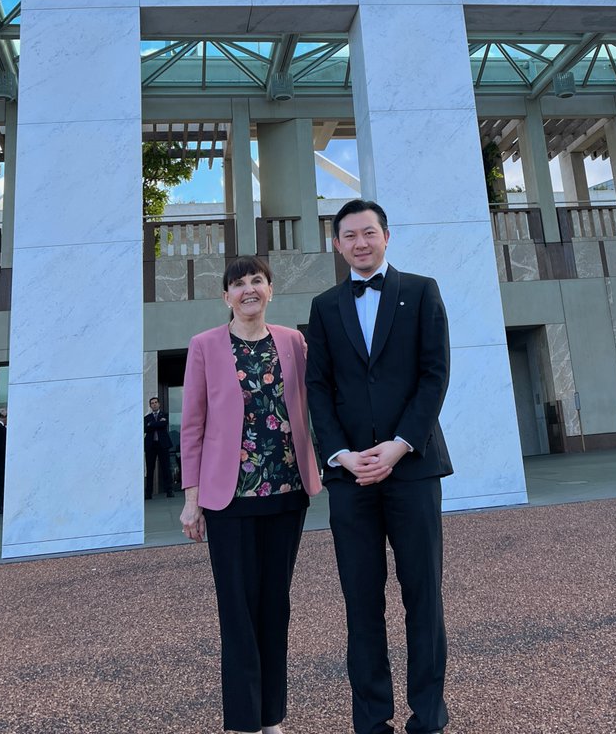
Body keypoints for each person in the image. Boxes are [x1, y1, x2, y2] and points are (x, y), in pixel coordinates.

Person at [306, 200, 452, 734]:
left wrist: (399, 445)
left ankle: (429, 716)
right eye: (350, 235)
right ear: (338, 245)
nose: (360, 242)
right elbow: (317, 387)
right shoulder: (324, 306)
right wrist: (341, 454)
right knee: (360, 601)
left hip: (412, 468)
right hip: (350, 477)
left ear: (386, 236)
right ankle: (370, 720)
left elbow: (434, 375)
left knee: (423, 594)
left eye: (369, 232)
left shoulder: (421, 291)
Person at [179, 255, 322, 734]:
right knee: (237, 610)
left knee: (275, 607)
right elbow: (193, 426)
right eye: (238, 284)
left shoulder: (294, 342)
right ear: (226, 297)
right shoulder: (204, 347)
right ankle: (243, 722)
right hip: (228, 500)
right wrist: (191, 497)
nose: (248, 290)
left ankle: (272, 717)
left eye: (256, 280)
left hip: (286, 491)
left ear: (270, 289)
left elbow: (315, 402)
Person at [144, 396, 175, 499]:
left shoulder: (164, 414)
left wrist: (152, 424)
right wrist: (156, 424)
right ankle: (148, 493)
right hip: (151, 446)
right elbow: (146, 428)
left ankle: (169, 491)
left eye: (156, 402)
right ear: (150, 405)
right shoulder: (146, 418)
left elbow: (163, 424)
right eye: (152, 403)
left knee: (166, 468)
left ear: (159, 404)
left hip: (162, 445)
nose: (154, 404)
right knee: (150, 469)